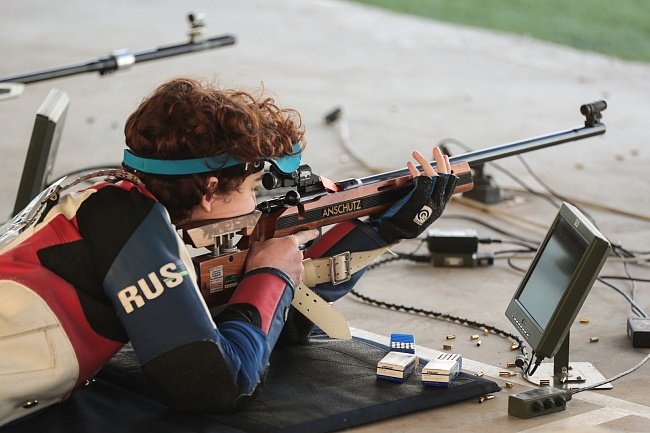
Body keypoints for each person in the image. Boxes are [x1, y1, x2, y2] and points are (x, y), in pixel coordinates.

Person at [0, 77, 457, 426]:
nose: (258, 204)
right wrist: (271, 273)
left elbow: (280, 330)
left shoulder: (111, 203)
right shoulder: (129, 224)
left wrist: (381, 230)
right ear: (209, 190)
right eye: (254, 187)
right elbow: (215, 384)